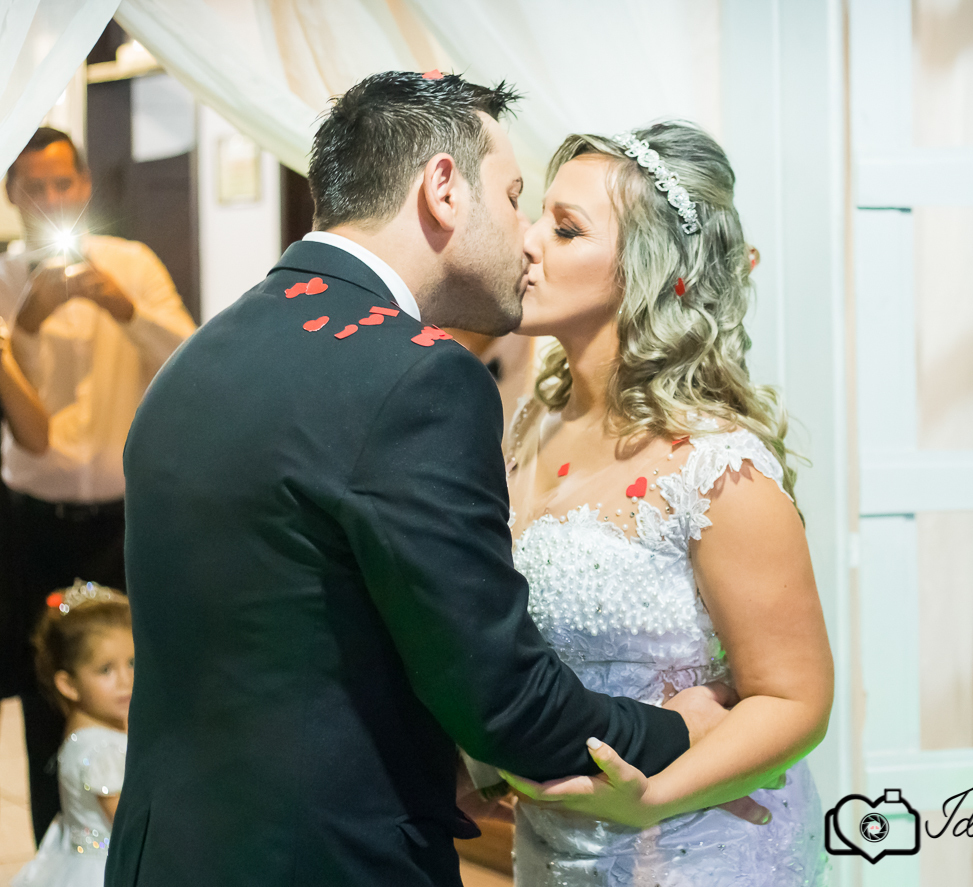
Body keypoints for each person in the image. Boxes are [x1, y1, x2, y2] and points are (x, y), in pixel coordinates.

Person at [104, 72, 731, 887]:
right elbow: (507, 703)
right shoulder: (416, 378)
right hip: (327, 861)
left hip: (165, 854)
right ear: (443, 188)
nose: (525, 238)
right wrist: (678, 727)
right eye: (513, 197)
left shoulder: (194, 360)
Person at [493, 123, 834, 885]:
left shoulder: (715, 467)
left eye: (565, 228)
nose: (527, 242)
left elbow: (796, 697)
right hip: (553, 844)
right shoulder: (533, 420)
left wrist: (653, 798)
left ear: (646, 270)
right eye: (538, 216)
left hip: (697, 846)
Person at [0, 127, 195, 842]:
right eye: (34, 188)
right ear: (11, 194)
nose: (50, 200)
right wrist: (24, 327)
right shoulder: (4, 279)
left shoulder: (132, 263)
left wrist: (123, 308)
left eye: (63, 184)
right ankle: (62, 846)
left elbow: (190, 361)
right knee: (43, 689)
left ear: (84, 187)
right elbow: (28, 425)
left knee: (137, 682)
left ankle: (150, 841)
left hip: (124, 518)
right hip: (31, 518)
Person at [12, 581, 133, 887]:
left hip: (72, 858)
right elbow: (130, 829)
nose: (126, 680)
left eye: (132, 663)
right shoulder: (103, 752)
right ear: (68, 684)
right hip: (105, 869)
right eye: (106, 670)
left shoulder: (82, 727)